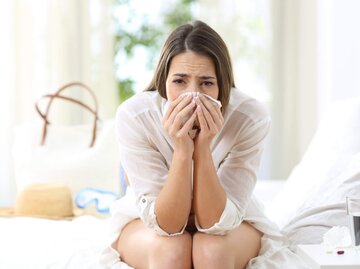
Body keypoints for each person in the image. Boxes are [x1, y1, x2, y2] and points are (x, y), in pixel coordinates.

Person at [110, 20, 281, 269]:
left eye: (206, 83)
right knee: (172, 250)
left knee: (211, 250)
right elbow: (167, 225)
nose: (193, 95)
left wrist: (202, 147)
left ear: (222, 83)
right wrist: (182, 149)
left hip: (231, 221)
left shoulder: (249, 117)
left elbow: (216, 223)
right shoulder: (135, 116)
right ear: (164, 81)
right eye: (180, 81)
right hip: (148, 222)